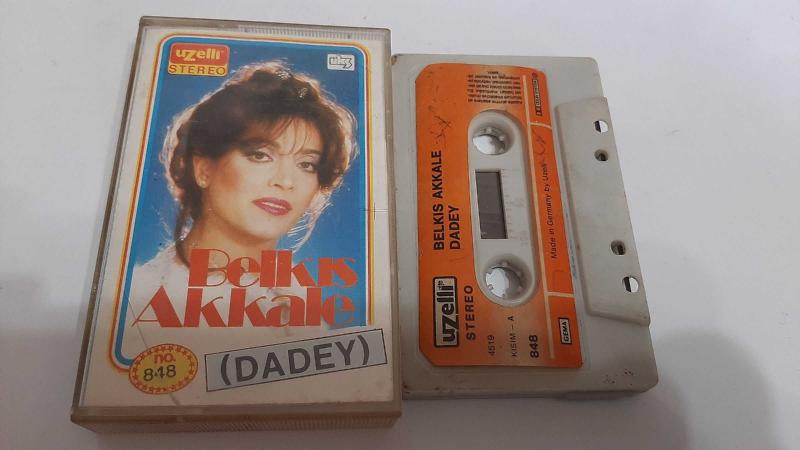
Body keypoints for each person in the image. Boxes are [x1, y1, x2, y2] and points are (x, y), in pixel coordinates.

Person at [123, 61, 357, 351]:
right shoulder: (138, 300)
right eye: (260, 155)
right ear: (203, 169)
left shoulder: (299, 299)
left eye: (307, 164)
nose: (286, 181)